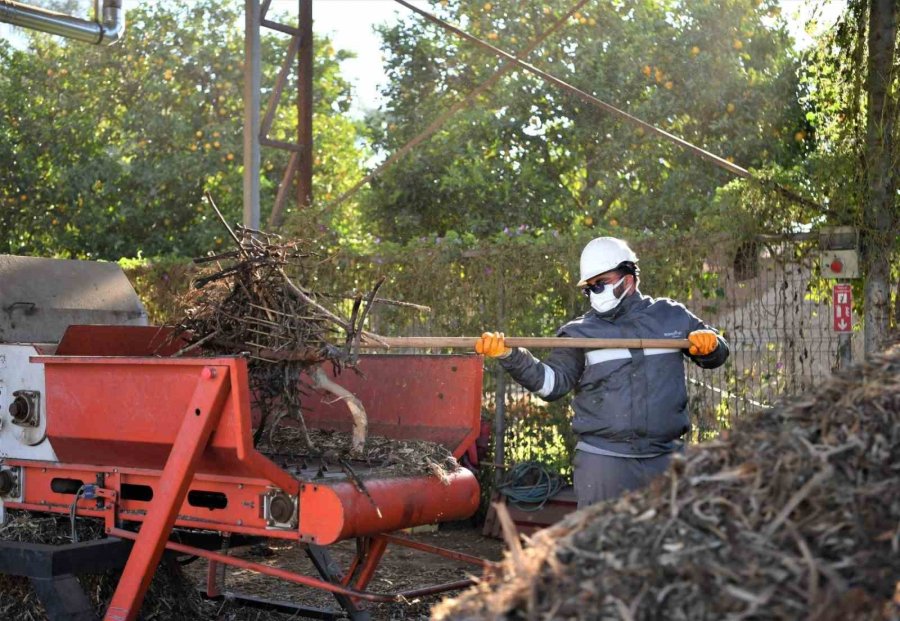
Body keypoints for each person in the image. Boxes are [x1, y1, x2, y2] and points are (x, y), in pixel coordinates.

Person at [476, 236, 729, 508]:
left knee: (668, 544)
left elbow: (716, 353)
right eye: (589, 288)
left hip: (665, 459)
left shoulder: (671, 317)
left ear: (628, 278)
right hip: (604, 461)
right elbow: (551, 384)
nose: (594, 292)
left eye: (601, 284)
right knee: (599, 545)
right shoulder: (580, 333)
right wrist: (509, 355)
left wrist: (711, 345)